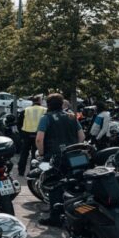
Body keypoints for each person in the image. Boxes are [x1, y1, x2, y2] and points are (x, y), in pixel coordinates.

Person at [36, 94, 84, 226]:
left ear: (48, 104)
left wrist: (41, 153)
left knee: (53, 184)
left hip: (54, 157)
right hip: (76, 155)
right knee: (76, 181)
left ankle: (55, 217)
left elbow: (39, 139)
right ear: (62, 104)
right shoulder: (71, 116)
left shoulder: (46, 118)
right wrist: (75, 148)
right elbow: (82, 136)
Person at [17, 95, 44, 175]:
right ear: (40, 101)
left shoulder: (26, 110)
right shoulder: (45, 110)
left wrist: (22, 134)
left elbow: (19, 124)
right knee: (35, 154)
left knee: (24, 154)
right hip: (39, 135)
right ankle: (33, 172)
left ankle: (21, 172)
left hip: (26, 134)